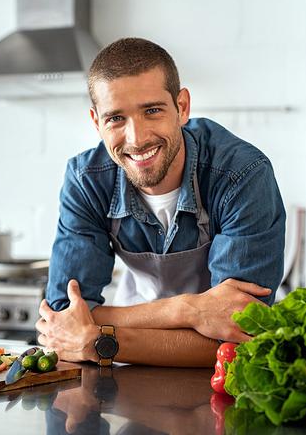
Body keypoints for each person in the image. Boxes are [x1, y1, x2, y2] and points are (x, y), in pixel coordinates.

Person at [36, 37, 285, 367]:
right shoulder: (88, 180)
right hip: (128, 369)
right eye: (116, 119)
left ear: (182, 107)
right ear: (96, 122)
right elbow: (65, 317)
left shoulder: (241, 174)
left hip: (224, 379)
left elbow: (236, 334)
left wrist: (101, 340)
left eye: (152, 111)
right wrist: (189, 309)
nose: (137, 139)